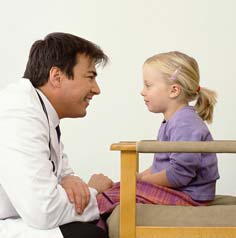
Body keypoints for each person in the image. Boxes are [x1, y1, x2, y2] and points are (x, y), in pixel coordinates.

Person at [0, 32, 114, 238]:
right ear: (56, 77)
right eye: (90, 77)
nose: (96, 89)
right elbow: (43, 210)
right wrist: (95, 193)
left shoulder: (42, 112)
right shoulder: (18, 114)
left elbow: (63, 173)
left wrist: (69, 179)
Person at [96, 51, 220, 230]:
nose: (142, 91)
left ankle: (94, 230)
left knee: (112, 196)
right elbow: (163, 164)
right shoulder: (174, 120)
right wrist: (138, 177)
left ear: (174, 90)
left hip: (190, 197)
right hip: (181, 191)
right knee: (118, 188)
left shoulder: (185, 124)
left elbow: (180, 174)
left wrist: (141, 182)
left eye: (148, 85)